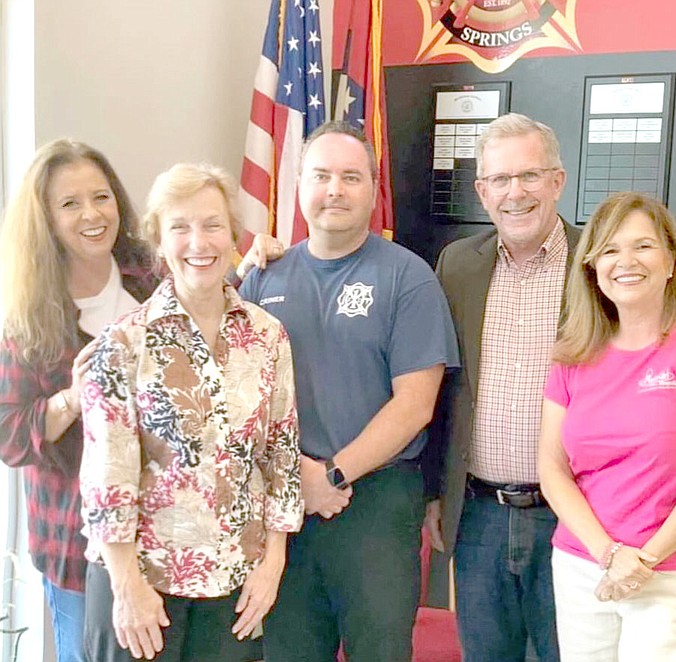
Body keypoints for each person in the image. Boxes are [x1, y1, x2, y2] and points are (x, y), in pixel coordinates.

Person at [239, 121, 459, 662]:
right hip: (283, 506)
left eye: (351, 177)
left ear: (373, 190)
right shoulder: (263, 278)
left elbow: (414, 405)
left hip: (375, 504)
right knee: (288, 651)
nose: (334, 189)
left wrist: (332, 474)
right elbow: (234, 396)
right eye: (321, 175)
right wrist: (300, 479)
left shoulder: (408, 277)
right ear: (299, 188)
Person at [80, 163, 303, 662]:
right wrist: (127, 587)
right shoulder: (122, 344)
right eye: (180, 227)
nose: (198, 242)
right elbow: (105, 480)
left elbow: (282, 459)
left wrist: (272, 566)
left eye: (212, 225)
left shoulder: (268, 337)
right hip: (142, 587)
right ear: (159, 240)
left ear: (233, 236)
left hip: (233, 585)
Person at [539, 192, 676, 661]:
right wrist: (609, 555)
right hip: (584, 565)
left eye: (642, 246)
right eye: (611, 250)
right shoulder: (573, 353)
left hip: (669, 572)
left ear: (671, 261)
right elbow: (552, 469)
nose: (626, 261)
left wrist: (645, 560)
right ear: (592, 266)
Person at [423, 113, 579, 662]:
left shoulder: (597, 264)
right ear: (482, 191)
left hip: (575, 514)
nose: (516, 193)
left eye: (530, 176)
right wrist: (436, 494)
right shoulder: (457, 265)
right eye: (500, 180)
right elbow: (441, 389)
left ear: (557, 181)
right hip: (479, 515)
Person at [0, 139, 155, 662]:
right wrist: (69, 400)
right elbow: (8, 434)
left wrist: (253, 263)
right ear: (44, 219)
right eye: (70, 204)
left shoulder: (153, 275)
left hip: (165, 538)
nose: (92, 214)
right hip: (75, 547)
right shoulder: (26, 316)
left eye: (101, 197)